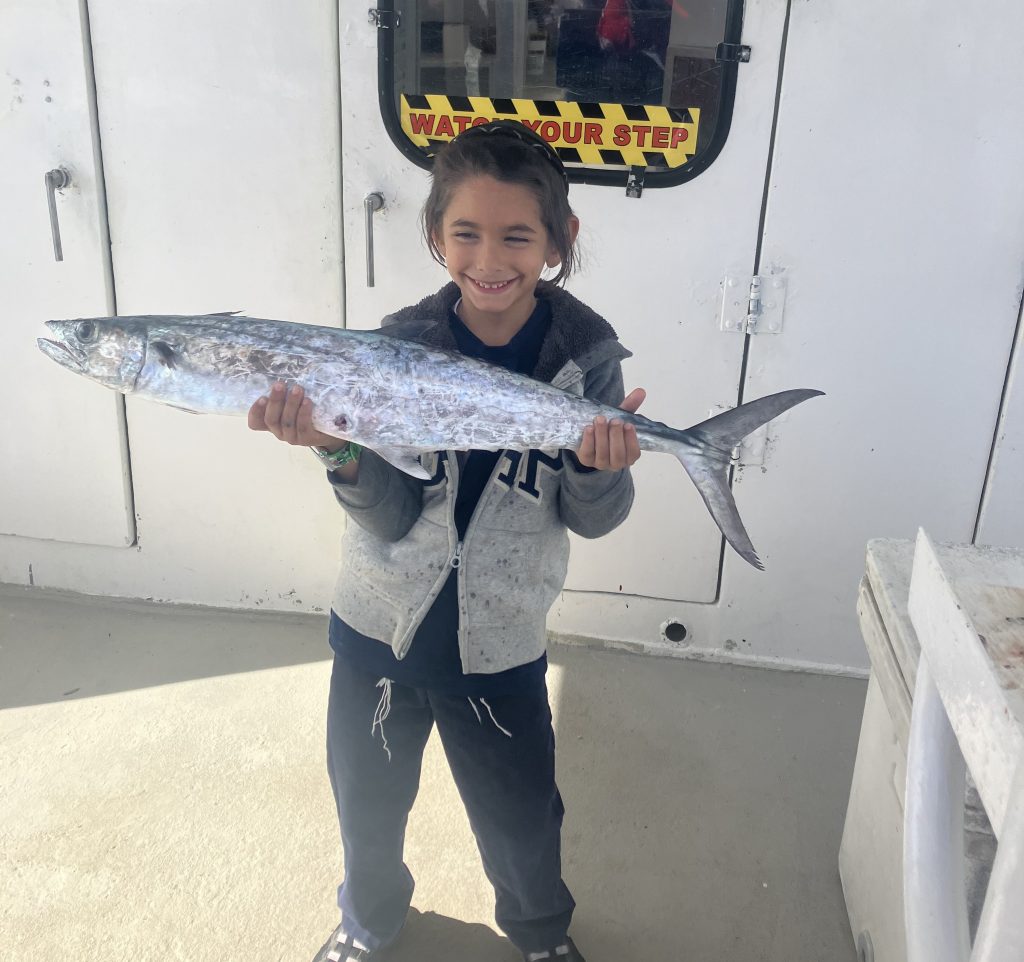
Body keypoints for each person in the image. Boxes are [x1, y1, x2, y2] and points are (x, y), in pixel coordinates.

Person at [247, 120, 645, 962]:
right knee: (367, 802)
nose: (490, 258)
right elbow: (389, 516)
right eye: (466, 233)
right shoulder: (395, 346)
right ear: (436, 236)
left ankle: (540, 936)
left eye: (516, 235)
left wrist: (598, 466)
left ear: (559, 241)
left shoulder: (587, 363)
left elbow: (594, 518)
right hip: (377, 633)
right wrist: (336, 445)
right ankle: (368, 919)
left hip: (499, 644)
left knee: (520, 814)